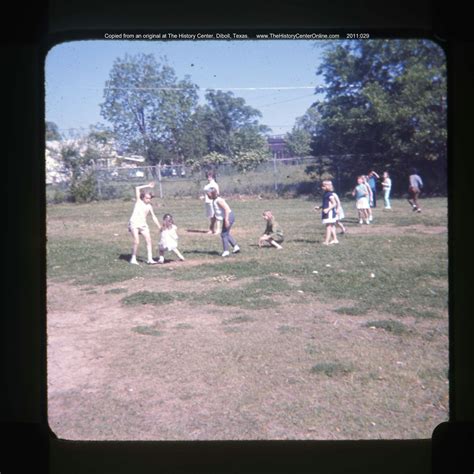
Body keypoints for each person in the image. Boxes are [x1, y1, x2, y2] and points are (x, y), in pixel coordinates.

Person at [128, 182, 161, 265]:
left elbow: (154, 217)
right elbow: (137, 188)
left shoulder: (149, 206)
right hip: (134, 223)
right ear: (143, 198)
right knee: (137, 241)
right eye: (147, 198)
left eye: (149, 198)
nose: (148, 200)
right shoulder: (139, 202)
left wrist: (159, 226)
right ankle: (133, 258)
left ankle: (150, 259)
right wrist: (148, 186)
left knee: (149, 240)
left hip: (143, 225)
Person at [206, 187, 240, 257]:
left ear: (212, 194)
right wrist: (212, 224)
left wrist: (226, 220)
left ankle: (226, 251)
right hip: (227, 217)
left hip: (229, 216)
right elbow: (216, 213)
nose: (207, 196)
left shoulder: (219, 200)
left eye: (208, 194)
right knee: (226, 233)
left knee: (223, 234)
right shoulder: (214, 201)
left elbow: (226, 209)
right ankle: (236, 247)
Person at [315, 180, 339, 245]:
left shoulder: (330, 194)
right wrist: (320, 207)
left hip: (329, 213)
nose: (322, 187)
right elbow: (326, 204)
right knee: (332, 226)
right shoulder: (325, 194)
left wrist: (328, 209)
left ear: (327, 186)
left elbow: (334, 203)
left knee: (328, 227)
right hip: (327, 212)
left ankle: (326, 241)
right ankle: (335, 239)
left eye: (323, 186)